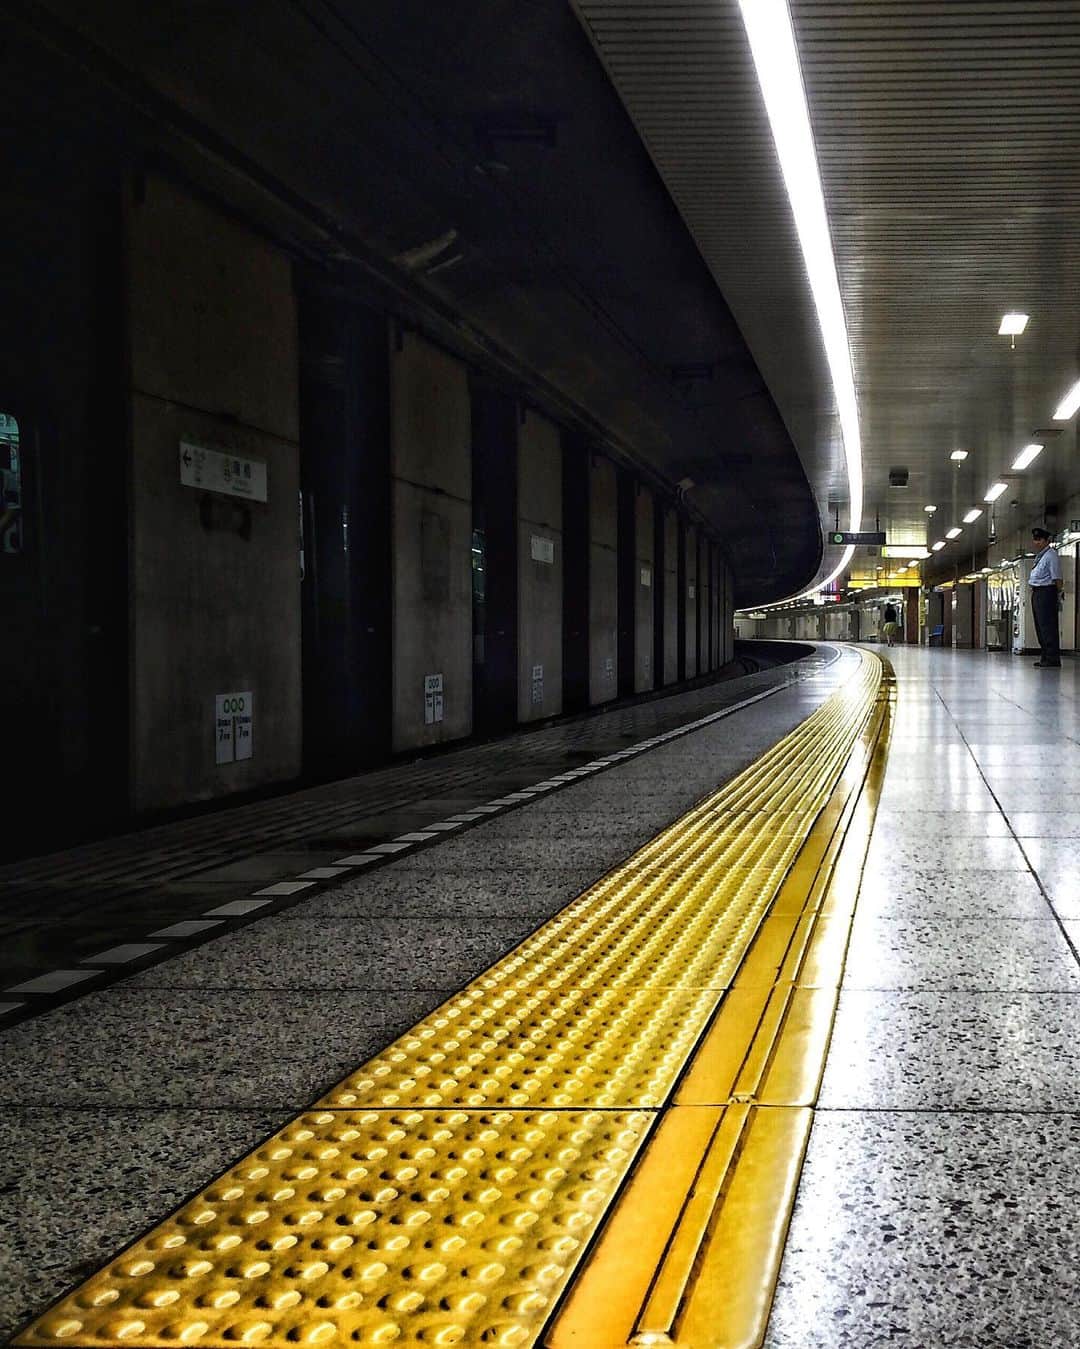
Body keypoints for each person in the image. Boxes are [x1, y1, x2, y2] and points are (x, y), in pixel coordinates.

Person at [1029, 527, 1063, 668]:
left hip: (1046, 593)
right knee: (1040, 627)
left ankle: (1053, 658)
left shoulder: (1051, 555)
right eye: (1035, 539)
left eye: (1039, 540)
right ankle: (1045, 657)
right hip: (1037, 593)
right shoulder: (1041, 556)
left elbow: (1057, 579)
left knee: (1048, 627)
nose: (1036, 542)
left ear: (1046, 541)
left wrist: (1057, 595)